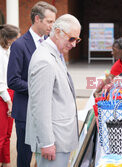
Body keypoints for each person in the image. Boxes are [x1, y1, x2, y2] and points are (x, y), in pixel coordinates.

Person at [25, 14, 81, 167]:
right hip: (53, 140)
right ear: (57, 32)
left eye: (77, 40)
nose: (74, 44)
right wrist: (46, 142)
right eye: (71, 39)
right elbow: (40, 106)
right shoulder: (45, 59)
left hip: (59, 137)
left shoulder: (54, 54)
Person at [7, 2, 57, 166]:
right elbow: (13, 80)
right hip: (25, 111)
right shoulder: (19, 45)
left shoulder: (51, 44)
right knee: (24, 158)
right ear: (37, 19)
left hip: (48, 112)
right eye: (49, 21)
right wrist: (39, 91)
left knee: (46, 155)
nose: (52, 25)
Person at [0, 24, 20, 167]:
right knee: (1, 135)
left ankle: (6, 162)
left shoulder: (7, 52)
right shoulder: (0, 55)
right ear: (8, 39)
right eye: (16, 39)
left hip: (9, 95)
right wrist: (9, 102)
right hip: (3, 97)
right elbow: (0, 82)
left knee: (7, 134)